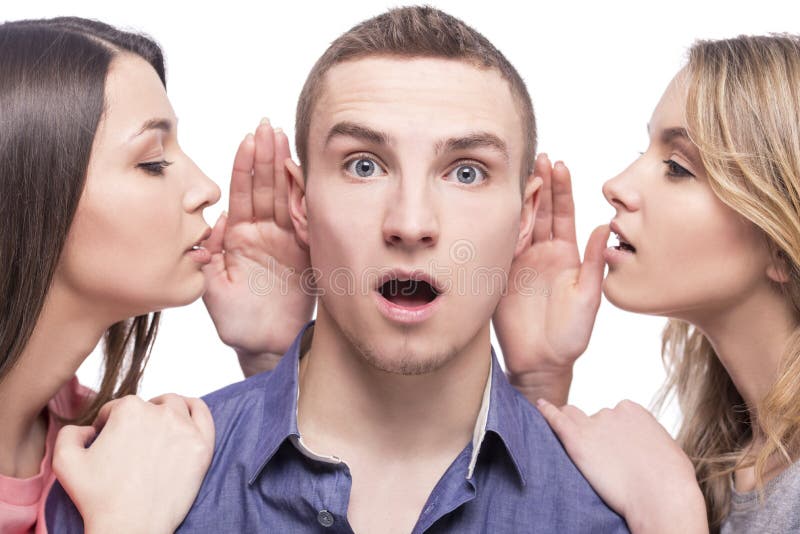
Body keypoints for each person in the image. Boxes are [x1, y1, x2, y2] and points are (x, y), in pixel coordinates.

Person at [46, 6, 628, 533]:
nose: (411, 222)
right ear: (300, 201)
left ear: (525, 218)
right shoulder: (120, 487)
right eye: (365, 165)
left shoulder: (615, 513)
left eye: (467, 171)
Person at [0, 17, 299, 533]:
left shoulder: (112, 450)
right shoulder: (122, 483)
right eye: (154, 161)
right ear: (28, 186)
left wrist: (273, 363)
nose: (205, 188)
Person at [500, 34, 800, 533]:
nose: (616, 185)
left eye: (677, 168)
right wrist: (540, 380)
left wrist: (670, 516)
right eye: (646, 151)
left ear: (780, 244)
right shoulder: (730, 470)